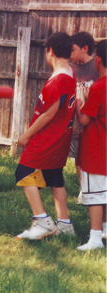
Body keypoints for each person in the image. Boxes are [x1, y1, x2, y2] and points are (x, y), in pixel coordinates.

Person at [15, 32, 77, 240]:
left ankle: (42, 221)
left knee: (23, 172)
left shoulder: (57, 81)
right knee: (55, 178)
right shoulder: (70, 72)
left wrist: (26, 135)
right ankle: (65, 223)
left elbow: (48, 114)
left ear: (50, 51)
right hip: (61, 137)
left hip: (48, 137)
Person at [75, 39, 106, 250]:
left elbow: (85, 119)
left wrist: (80, 101)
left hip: (96, 149)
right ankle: (105, 229)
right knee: (106, 193)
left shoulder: (99, 86)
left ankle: (95, 239)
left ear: (98, 60)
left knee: (94, 195)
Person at [68, 32, 99, 201]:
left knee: (93, 157)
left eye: (72, 50)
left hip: (94, 123)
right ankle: (84, 189)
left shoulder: (97, 67)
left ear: (85, 48)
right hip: (75, 123)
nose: (69, 53)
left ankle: (96, 188)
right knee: (78, 157)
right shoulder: (70, 68)